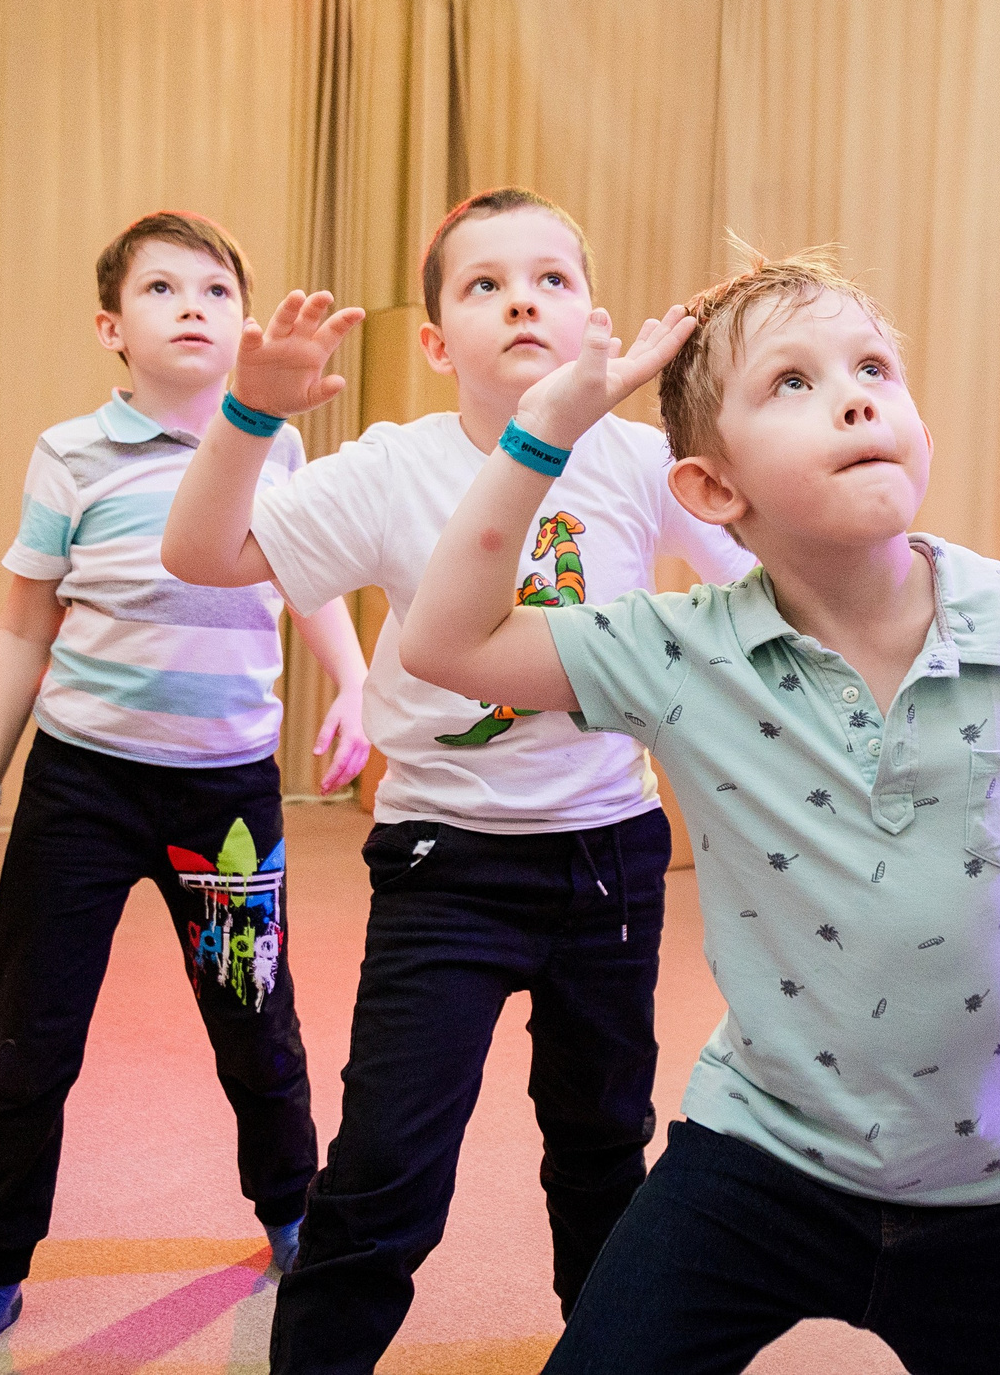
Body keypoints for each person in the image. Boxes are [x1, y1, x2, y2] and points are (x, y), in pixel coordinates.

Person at [391, 250, 1000, 1373]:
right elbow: (445, 642)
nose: (854, 398)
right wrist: (548, 429)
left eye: (874, 369)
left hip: (988, 1181)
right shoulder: (678, 650)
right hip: (759, 1155)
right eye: (792, 381)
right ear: (711, 489)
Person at [160, 189, 754, 1374]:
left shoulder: (637, 460)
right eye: (485, 285)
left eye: (550, 279)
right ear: (436, 344)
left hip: (608, 856)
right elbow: (202, 554)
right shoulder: (396, 468)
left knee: (602, 1143)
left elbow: (764, 581)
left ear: (594, 317)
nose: (522, 300)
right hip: (445, 864)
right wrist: (248, 412)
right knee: (388, 1166)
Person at [0, 212, 371, 1375]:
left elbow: (308, 585)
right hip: (84, 793)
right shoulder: (71, 454)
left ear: (243, 325)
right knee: (29, 1040)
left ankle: (293, 1225)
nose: (192, 304)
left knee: (255, 1025)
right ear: (111, 328)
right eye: (161, 288)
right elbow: (23, 625)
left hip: (226, 802)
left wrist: (356, 683)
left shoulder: (274, 451)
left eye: (216, 288)